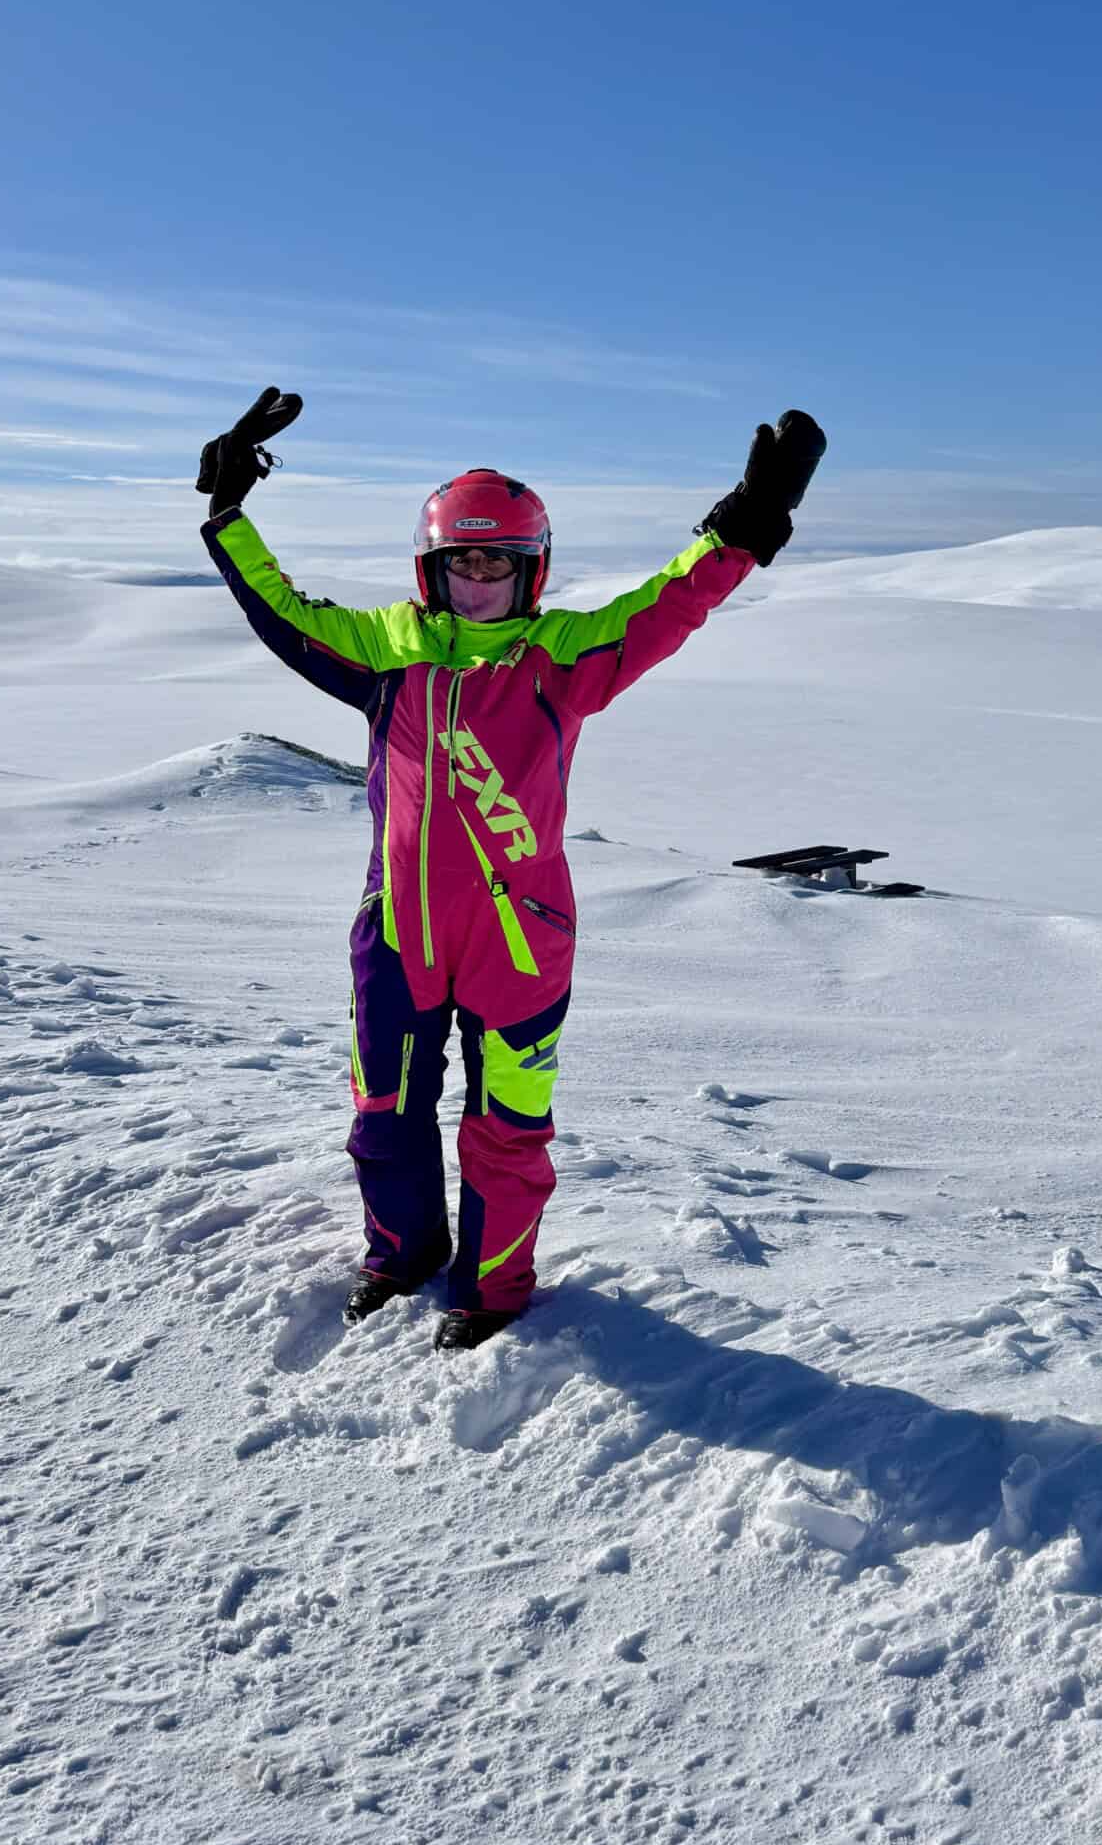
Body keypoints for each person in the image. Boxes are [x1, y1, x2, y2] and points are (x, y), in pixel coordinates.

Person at [197, 389, 813, 1351]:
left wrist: (745, 521)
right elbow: (279, 612)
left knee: (509, 1127)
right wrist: (229, 514)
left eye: (498, 561)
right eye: (462, 560)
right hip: (397, 933)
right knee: (384, 1113)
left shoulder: (563, 656)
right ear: (431, 568)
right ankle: (399, 1254)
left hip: (521, 940)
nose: (478, 577)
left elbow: (667, 605)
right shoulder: (384, 650)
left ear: (532, 570)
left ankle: (491, 1288)